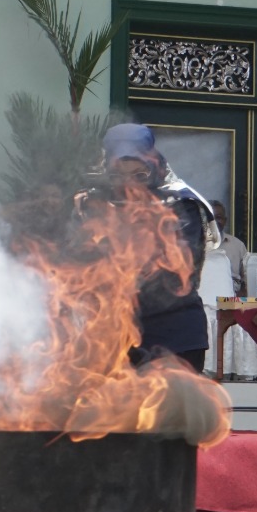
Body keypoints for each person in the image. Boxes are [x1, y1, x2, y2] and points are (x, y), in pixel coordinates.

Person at [83, 124, 215, 373]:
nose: (128, 184)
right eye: (118, 175)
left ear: (154, 168)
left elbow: (176, 273)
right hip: (115, 337)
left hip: (174, 336)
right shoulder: (96, 205)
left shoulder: (181, 206)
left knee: (168, 409)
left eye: (138, 174)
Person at [211, 200, 249, 296]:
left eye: (218, 217)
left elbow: (247, 279)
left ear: (225, 220)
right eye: (210, 218)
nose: (214, 222)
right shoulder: (194, 245)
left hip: (232, 300)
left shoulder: (237, 245)